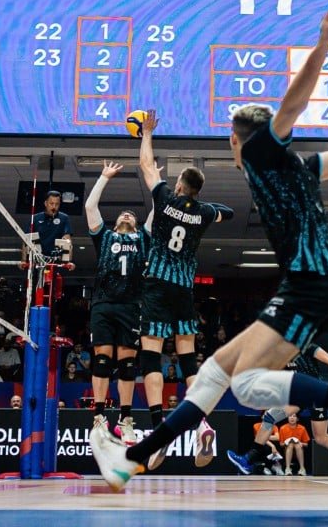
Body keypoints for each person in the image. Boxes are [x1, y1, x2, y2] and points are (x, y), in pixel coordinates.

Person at [90, 2, 328, 492]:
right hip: (311, 287)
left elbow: (292, 105)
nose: (229, 147)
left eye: (230, 140)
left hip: (310, 287)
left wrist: (322, 46)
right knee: (226, 375)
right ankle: (135, 459)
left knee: (239, 381)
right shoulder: (305, 167)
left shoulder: (260, 152)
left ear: (241, 140)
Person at [132, 109, 232, 471]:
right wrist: (209, 206)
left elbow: (146, 166)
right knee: (188, 358)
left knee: (151, 356)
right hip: (184, 291)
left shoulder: (165, 200)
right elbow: (228, 213)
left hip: (158, 285)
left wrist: (146, 134)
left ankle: (159, 431)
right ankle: (203, 424)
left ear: (177, 187)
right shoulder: (204, 212)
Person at [226, 332, 328, 480]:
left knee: (321, 438)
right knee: (269, 417)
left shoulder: (306, 346)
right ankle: (247, 460)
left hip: (316, 393)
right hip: (299, 394)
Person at [84, 161, 149, 446]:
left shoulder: (143, 239)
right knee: (101, 359)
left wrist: (154, 181)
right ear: (115, 222)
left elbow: (158, 211)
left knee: (127, 365)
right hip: (104, 303)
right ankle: (99, 417)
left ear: (136, 224)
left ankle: (125, 419)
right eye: (124, 214)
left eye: (132, 215)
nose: (127, 215)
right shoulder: (105, 236)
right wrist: (103, 177)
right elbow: (89, 208)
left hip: (131, 305)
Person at [23, 190, 73, 268]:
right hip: (37, 258)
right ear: (46, 203)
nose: (54, 207)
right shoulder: (35, 218)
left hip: (55, 259)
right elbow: (26, 240)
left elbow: (67, 239)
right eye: (51, 204)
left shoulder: (64, 218)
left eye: (57, 204)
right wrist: (23, 261)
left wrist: (68, 261)